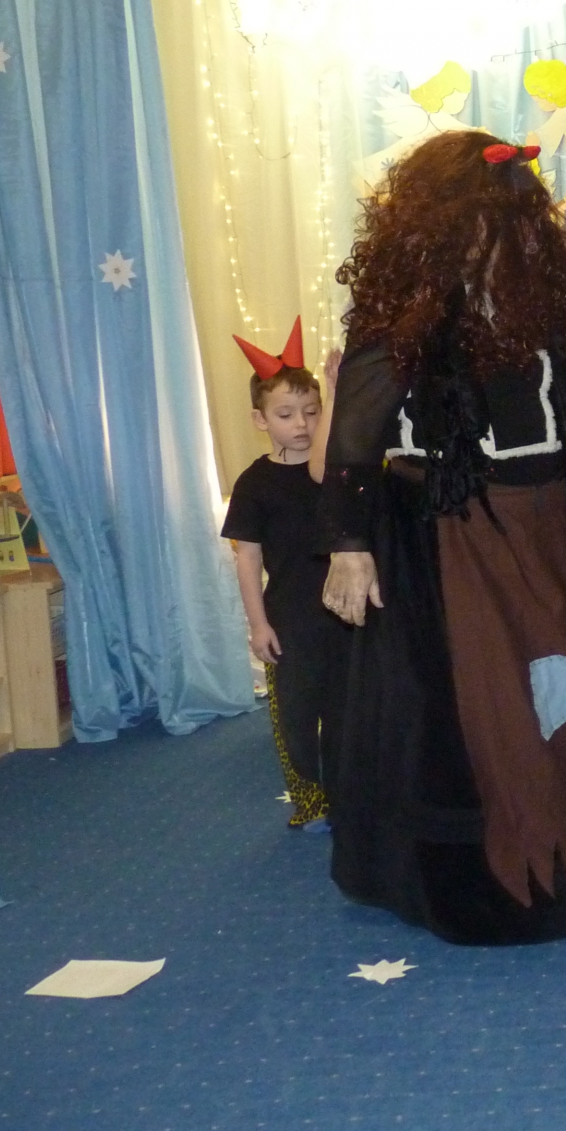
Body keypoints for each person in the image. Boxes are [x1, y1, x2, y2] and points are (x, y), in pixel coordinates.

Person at [317, 131, 566, 947]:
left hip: (546, 532)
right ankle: (492, 881)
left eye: (517, 217)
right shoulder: (400, 316)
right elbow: (355, 440)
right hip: (449, 542)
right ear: (441, 223)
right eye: (485, 217)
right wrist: (349, 545)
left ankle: (565, 845)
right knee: (487, 714)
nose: (506, 233)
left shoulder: (542, 301)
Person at [222, 319, 338, 830]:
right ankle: (309, 799)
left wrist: (335, 389)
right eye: (286, 414)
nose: (302, 424)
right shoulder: (255, 483)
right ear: (260, 419)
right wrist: (258, 624)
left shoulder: (335, 472)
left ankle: (350, 793)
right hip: (290, 617)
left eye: (312, 411)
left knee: (349, 709)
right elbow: (247, 558)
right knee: (295, 711)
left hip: (346, 612)